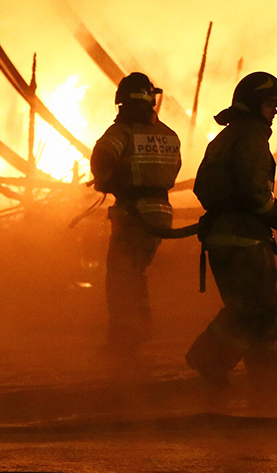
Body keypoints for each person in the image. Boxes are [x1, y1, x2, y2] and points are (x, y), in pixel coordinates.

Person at [185, 71, 277, 393]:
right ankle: (267, 383)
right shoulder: (252, 138)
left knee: (245, 309)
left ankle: (221, 365)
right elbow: (255, 192)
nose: (274, 112)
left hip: (222, 240)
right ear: (253, 105)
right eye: (270, 105)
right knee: (260, 311)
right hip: (247, 241)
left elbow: (201, 187)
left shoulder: (223, 138)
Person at [90, 72, 182, 354]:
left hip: (133, 214)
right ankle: (138, 331)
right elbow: (173, 171)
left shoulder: (123, 131)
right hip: (161, 214)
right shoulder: (168, 135)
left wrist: (107, 181)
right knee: (136, 273)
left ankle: (123, 340)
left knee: (119, 276)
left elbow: (101, 159)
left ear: (122, 103)